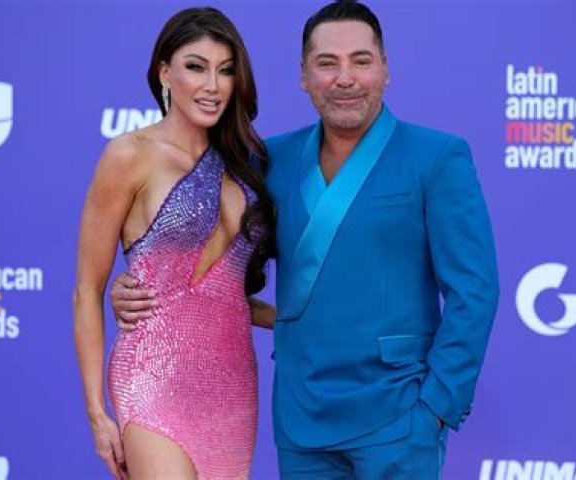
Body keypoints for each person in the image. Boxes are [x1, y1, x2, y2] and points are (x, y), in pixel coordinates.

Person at [112, 1, 499, 478]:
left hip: (400, 413)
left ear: (385, 69)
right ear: (303, 75)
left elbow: (475, 291)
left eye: (360, 61)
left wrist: (437, 405)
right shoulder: (269, 161)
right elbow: (209, 267)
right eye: (327, 63)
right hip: (302, 420)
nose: (344, 78)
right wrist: (141, 287)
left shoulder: (436, 157)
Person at [72, 7, 274, 479]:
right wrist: (96, 412)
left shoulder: (244, 166)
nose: (212, 85)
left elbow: (223, 296)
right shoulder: (129, 155)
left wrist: (290, 320)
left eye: (225, 70)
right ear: (165, 73)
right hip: (154, 375)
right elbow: (87, 289)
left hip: (231, 385)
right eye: (196, 67)